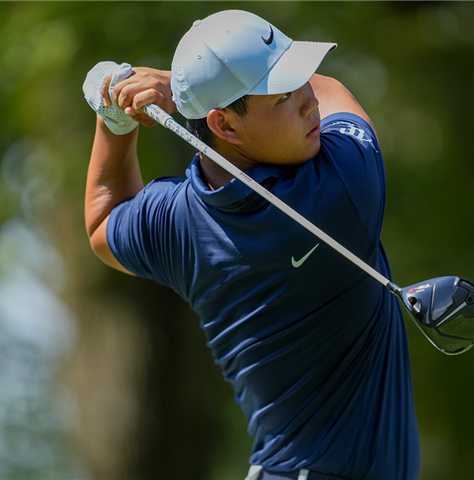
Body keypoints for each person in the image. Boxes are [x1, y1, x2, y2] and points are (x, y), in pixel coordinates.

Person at [83, 10, 420, 480]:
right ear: (224, 126)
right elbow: (336, 92)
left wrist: (115, 121)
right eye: (283, 95)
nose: (308, 102)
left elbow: (103, 223)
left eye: (299, 82)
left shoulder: (175, 221)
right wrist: (178, 91)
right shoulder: (344, 185)